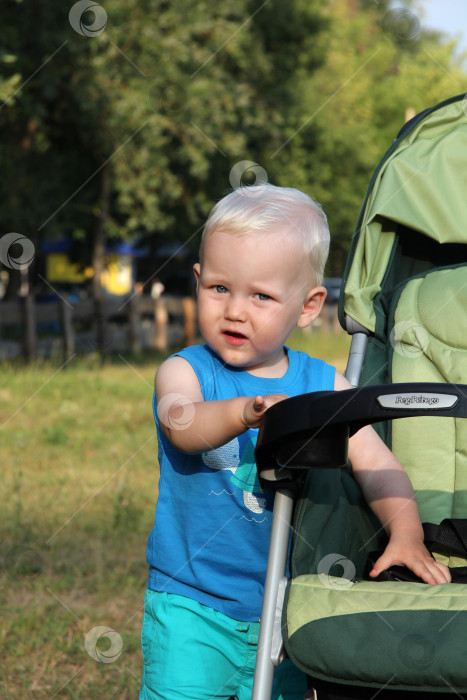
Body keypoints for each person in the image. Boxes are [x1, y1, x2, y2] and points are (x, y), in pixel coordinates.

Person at [140, 183, 450, 700]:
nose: (235, 310)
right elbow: (182, 424)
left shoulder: (324, 387)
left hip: (288, 609)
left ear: (308, 307)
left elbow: (378, 463)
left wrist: (406, 531)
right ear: (196, 282)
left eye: (261, 296)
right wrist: (244, 413)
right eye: (219, 288)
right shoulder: (185, 370)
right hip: (193, 604)